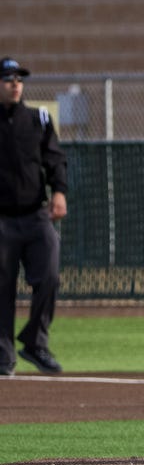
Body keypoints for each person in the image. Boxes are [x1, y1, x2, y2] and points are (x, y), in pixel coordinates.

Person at [0, 57, 67, 376]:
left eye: (19, 79)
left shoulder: (38, 118)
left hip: (35, 215)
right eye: (7, 79)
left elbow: (54, 159)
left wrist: (59, 191)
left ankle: (35, 343)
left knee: (50, 275)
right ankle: (3, 355)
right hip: (2, 221)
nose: (15, 84)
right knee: (2, 289)